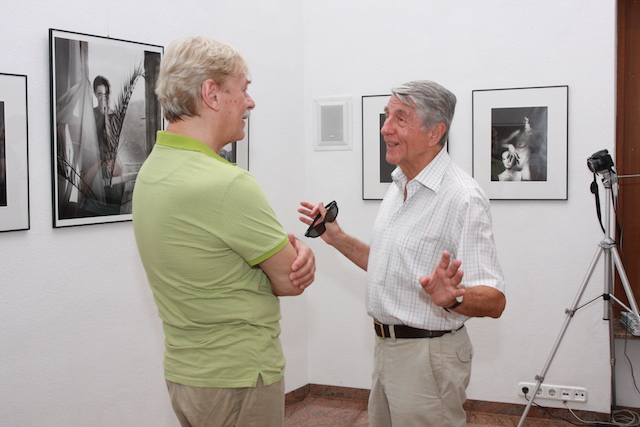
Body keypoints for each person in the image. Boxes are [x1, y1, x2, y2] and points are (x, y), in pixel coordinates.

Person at [132, 36, 316, 427]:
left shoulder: (152, 170)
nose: (250, 103)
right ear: (211, 94)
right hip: (239, 377)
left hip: (188, 374)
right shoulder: (228, 184)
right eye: (244, 90)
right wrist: (296, 257)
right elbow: (289, 280)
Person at [299, 80, 506, 427]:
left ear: (434, 132)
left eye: (400, 118)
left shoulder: (463, 197)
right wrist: (336, 237)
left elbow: (495, 300)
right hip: (387, 349)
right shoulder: (399, 186)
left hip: (428, 357)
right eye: (386, 116)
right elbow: (386, 264)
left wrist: (452, 299)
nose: (385, 128)